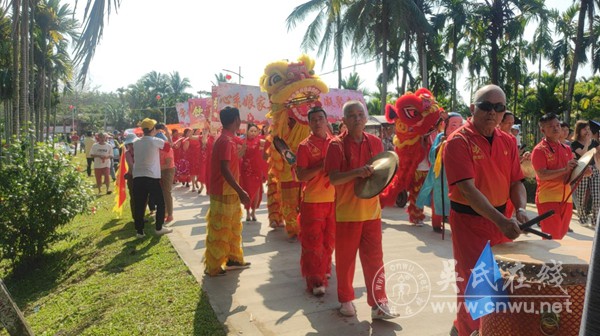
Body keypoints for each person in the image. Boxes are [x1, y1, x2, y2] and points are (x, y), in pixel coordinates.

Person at [443, 84, 529, 335]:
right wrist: (502, 220)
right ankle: (467, 330)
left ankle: (492, 329)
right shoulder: (458, 141)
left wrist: (521, 209)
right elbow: (468, 190)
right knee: (474, 283)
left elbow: (517, 181)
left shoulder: (508, 141)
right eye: (486, 106)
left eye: (499, 107)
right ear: (473, 108)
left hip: (501, 220)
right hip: (470, 222)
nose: (493, 112)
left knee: (500, 281)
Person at [324, 100, 398, 320]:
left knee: (375, 259)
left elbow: (382, 173)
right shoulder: (335, 145)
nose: (357, 118)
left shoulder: (375, 143)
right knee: (346, 261)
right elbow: (334, 178)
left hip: (372, 213)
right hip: (347, 213)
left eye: (360, 114)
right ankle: (346, 300)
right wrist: (357, 172)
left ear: (366, 118)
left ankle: (379, 304)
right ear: (344, 120)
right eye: (351, 115)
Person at [204, 107, 251, 276]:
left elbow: (227, 164)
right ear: (237, 120)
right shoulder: (225, 140)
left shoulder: (228, 139)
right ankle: (214, 265)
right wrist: (241, 191)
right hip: (224, 191)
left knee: (232, 227)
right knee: (220, 228)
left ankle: (233, 258)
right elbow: (224, 169)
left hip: (229, 190)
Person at [295, 107, 335, 297]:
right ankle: (315, 280)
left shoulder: (336, 143)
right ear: (309, 123)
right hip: (313, 201)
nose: (318, 122)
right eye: (314, 120)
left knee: (329, 240)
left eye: (321, 118)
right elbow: (301, 174)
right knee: (313, 242)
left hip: (334, 199)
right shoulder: (304, 146)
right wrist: (322, 164)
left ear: (327, 120)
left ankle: (325, 268)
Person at [530, 113, 578, 240]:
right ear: (543, 130)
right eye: (551, 126)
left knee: (560, 236)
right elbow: (542, 174)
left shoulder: (566, 149)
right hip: (548, 199)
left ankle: (554, 260)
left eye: (558, 125)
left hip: (567, 199)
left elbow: (571, 172)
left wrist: (583, 171)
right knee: (551, 238)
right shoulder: (539, 150)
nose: (556, 128)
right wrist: (565, 169)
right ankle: (548, 261)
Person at [416, 112, 464, 233]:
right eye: (453, 124)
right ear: (445, 125)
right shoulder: (440, 137)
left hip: (455, 175)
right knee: (437, 199)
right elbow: (432, 156)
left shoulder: (462, 138)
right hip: (440, 174)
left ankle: (454, 225)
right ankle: (436, 224)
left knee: (455, 201)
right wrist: (441, 146)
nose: (457, 127)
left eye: (459, 124)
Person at [132, 118, 173, 238]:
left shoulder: (136, 142)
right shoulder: (155, 140)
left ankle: (139, 231)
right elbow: (169, 146)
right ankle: (159, 227)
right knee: (160, 203)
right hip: (151, 177)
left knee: (139, 204)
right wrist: (166, 131)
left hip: (138, 176)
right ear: (153, 129)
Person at [570, 120, 600, 227]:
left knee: (597, 197)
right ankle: (582, 218)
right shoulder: (574, 144)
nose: (587, 131)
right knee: (581, 197)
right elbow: (583, 154)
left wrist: (598, 166)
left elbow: (597, 155)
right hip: (581, 170)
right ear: (579, 130)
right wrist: (587, 142)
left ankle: (595, 221)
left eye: (588, 129)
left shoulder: (594, 142)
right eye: (584, 129)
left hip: (594, 170)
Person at [240, 123, 267, 221]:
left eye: (255, 131)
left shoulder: (259, 141)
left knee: (256, 192)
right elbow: (239, 154)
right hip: (246, 170)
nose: (253, 133)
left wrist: (267, 131)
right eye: (251, 131)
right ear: (247, 132)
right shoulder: (243, 141)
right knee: (247, 191)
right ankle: (247, 212)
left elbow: (269, 142)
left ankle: (253, 212)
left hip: (257, 169)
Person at [156, 131, 176, 223]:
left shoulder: (167, 149)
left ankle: (170, 214)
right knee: (161, 193)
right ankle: (164, 212)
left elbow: (168, 164)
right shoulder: (157, 149)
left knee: (167, 192)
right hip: (159, 171)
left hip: (168, 171)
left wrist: (156, 168)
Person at [123, 133, 138, 221]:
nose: (132, 145)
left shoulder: (140, 151)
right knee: (133, 197)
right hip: (133, 176)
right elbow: (131, 165)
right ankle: (135, 216)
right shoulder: (127, 153)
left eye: (133, 143)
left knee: (142, 197)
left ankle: (140, 216)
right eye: (130, 144)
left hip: (139, 176)